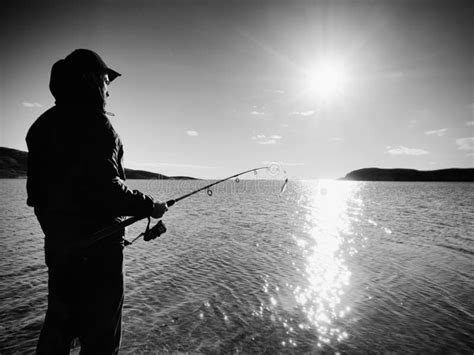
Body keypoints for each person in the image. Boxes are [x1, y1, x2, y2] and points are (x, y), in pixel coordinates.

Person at [26, 49, 167, 354]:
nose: (108, 90)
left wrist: (60, 236)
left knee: (57, 333)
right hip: (100, 262)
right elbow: (108, 191)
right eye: (105, 80)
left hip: (61, 253)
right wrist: (150, 205)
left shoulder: (40, 128)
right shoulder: (98, 126)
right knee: (101, 341)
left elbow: (36, 198)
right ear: (90, 81)